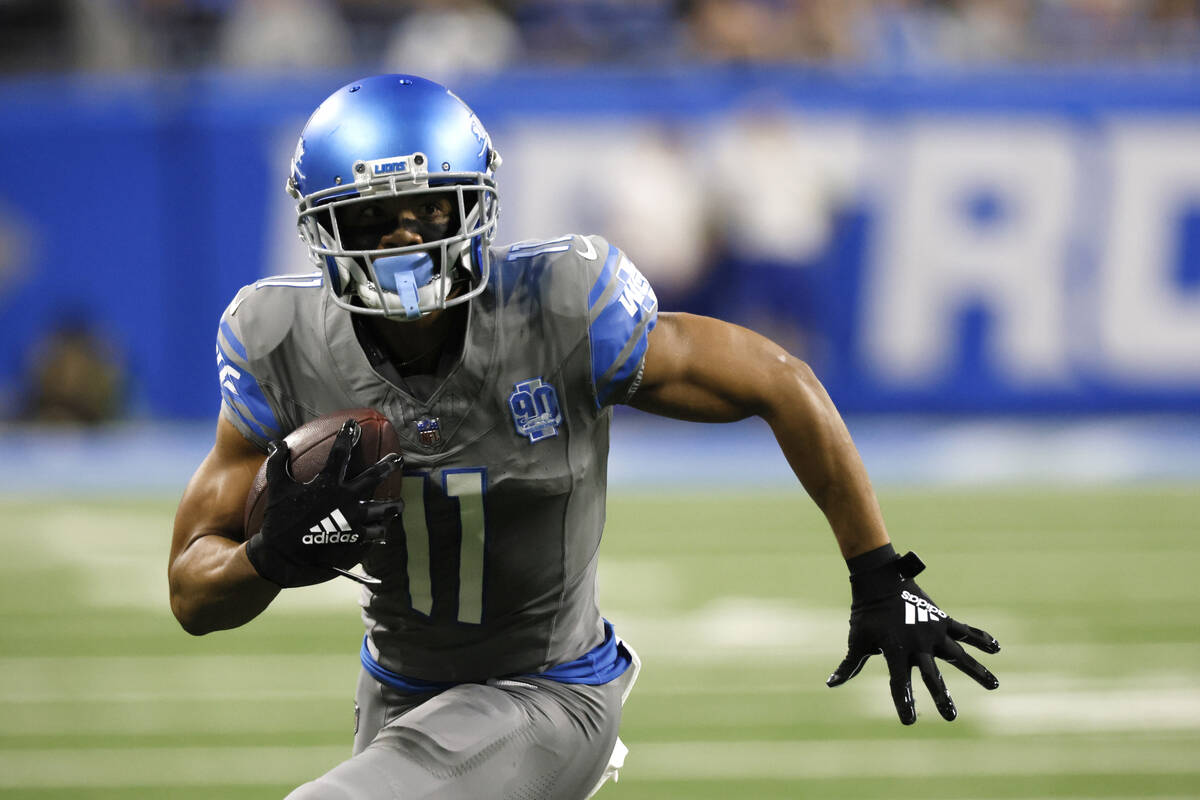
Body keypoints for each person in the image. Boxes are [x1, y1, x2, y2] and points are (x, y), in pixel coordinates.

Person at [168, 74, 1000, 800]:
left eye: (429, 210)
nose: (407, 241)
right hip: (397, 693)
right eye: (377, 218)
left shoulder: (564, 307)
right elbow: (190, 592)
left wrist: (879, 573)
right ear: (323, 232)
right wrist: (265, 559)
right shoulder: (278, 337)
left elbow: (778, 378)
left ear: (477, 208)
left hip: (547, 691)